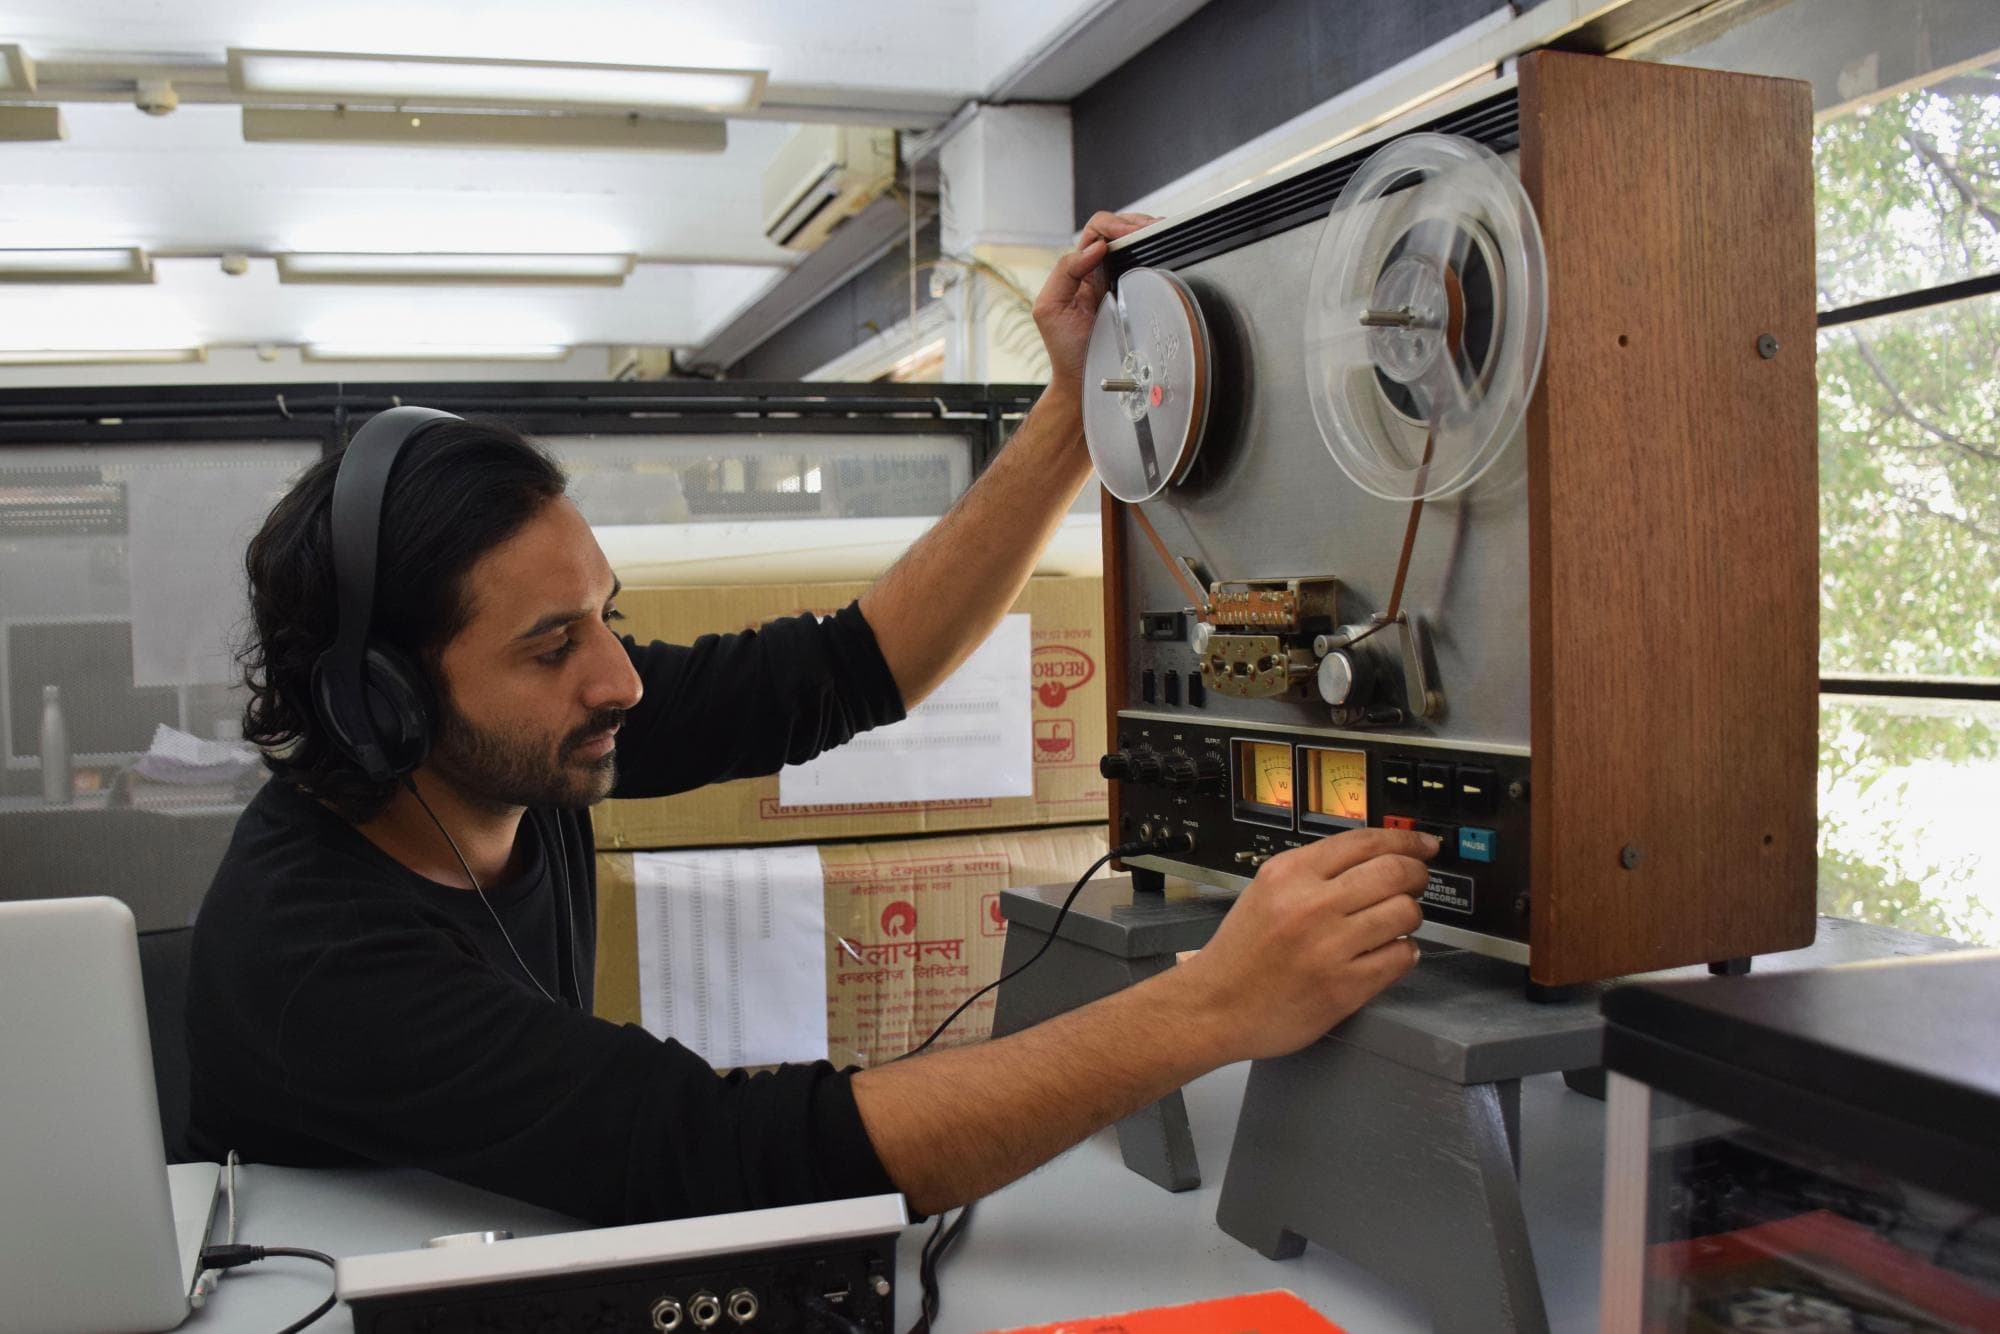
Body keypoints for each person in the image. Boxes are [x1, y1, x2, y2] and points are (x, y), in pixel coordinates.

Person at [184, 211, 1438, 1225]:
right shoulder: (315, 954)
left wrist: (1071, 409)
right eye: (551, 644)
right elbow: (723, 1159)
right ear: (385, 694)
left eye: (604, 615)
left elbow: (847, 667)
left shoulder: (524, 741)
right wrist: (1209, 1006)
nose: (618, 677)